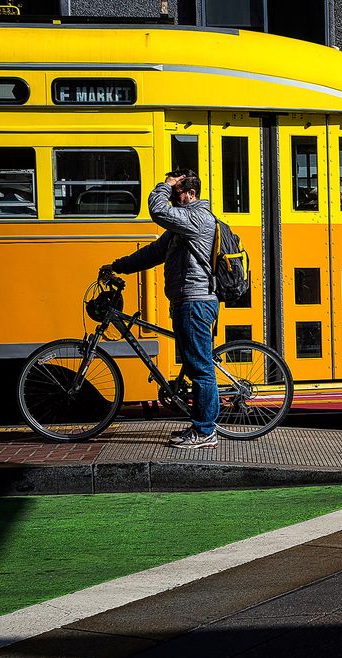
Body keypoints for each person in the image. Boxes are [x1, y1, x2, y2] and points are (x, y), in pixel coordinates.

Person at [101, 169, 219, 449]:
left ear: (191, 194)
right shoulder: (181, 228)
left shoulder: (198, 217)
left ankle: (205, 432)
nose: (174, 200)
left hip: (196, 302)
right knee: (196, 364)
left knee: (201, 369)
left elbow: (157, 211)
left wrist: (164, 185)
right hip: (185, 301)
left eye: (177, 194)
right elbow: (152, 253)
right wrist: (118, 266)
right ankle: (201, 425)